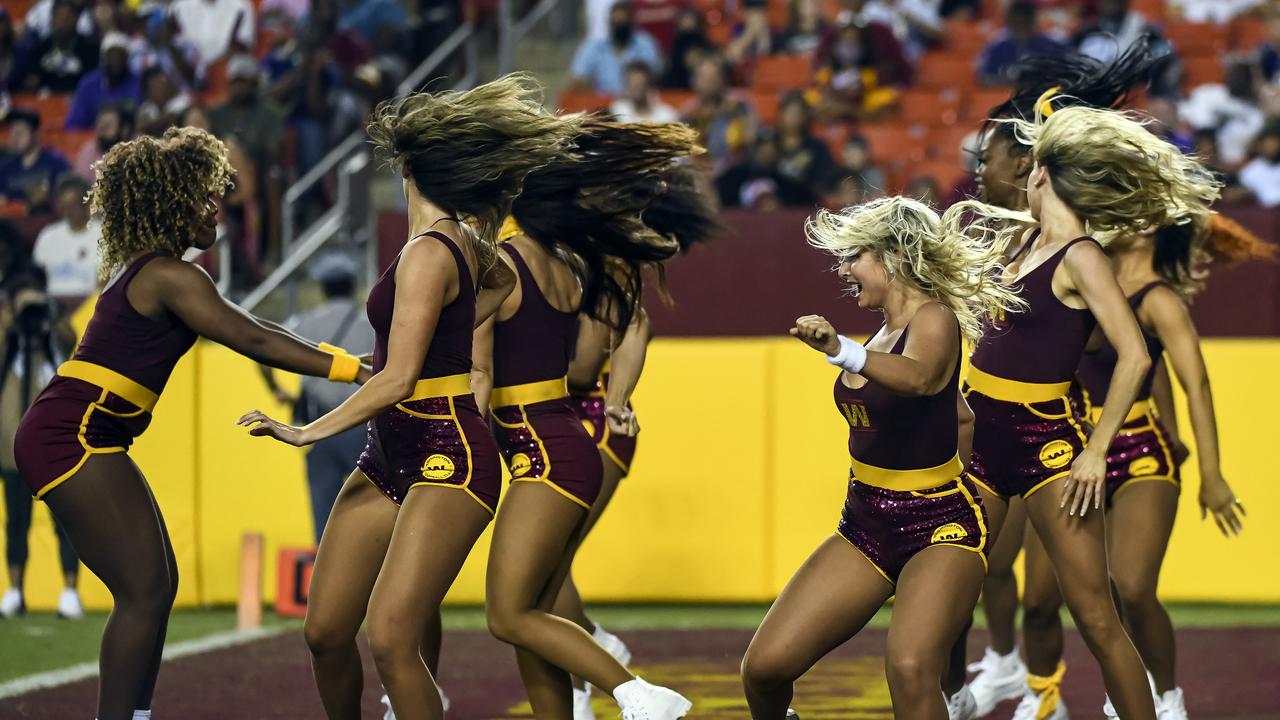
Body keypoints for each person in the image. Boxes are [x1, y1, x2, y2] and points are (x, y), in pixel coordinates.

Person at [237, 75, 583, 720]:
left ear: (412, 168)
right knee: (325, 633)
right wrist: (438, 347)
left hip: (447, 454)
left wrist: (307, 431)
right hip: (391, 451)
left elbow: (396, 379)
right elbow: (487, 290)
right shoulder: (459, 243)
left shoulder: (430, 250)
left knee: (393, 639)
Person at [12, 127, 369, 720]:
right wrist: (356, 368)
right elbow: (255, 337)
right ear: (170, 202)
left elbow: (258, 331)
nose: (216, 210)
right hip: (69, 435)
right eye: (205, 196)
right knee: (144, 590)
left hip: (81, 432)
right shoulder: (169, 276)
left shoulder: (153, 272)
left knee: (156, 586)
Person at [960, 104, 1219, 720]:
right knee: (967, 583)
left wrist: (1097, 451)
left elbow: (1135, 359)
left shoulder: (1082, 256)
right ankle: (1009, 679)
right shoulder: (1025, 241)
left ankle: (1149, 704)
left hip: (1055, 448)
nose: (1020, 177)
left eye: (1029, 167)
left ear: (1043, 173)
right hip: (991, 445)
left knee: (1102, 614)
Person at [741, 196, 1025, 719]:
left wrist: (840, 350)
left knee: (912, 669)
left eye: (856, 257)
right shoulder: (882, 332)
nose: (845, 270)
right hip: (866, 521)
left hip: (942, 527)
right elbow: (960, 415)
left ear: (894, 256)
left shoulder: (933, 317)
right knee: (763, 669)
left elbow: (919, 379)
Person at [475, 117, 699, 720]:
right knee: (538, 594)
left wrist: (618, 399)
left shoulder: (545, 261)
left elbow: (613, 340)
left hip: (574, 425)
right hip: (562, 427)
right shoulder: (568, 256)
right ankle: (589, 672)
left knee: (518, 603)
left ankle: (617, 678)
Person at [1012, 211, 1267, 720]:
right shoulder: (1078, 269)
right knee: (1038, 601)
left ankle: (1165, 697)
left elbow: (1194, 384)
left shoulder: (1158, 300)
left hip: (1139, 452)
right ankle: (1043, 698)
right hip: (1069, 453)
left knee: (1131, 586)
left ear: (1148, 227)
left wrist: (1212, 476)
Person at [552, 164, 720, 720]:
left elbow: (595, 356)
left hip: (589, 421)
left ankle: (591, 683)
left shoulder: (598, 260)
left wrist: (618, 398)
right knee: (543, 568)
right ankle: (595, 648)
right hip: (574, 420)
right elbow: (635, 325)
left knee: (543, 568)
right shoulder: (577, 251)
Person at [259, 253, 375, 543]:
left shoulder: (306, 322)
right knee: (374, 502)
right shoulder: (370, 324)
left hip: (319, 427)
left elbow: (264, 353)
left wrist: (277, 390)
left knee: (323, 511)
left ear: (323, 288)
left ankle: (326, 580)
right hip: (363, 425)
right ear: (352, 286)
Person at [0, 268, 82, 620]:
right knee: (16, 522)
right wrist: (12, 317)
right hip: (11, 450)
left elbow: (71, 338)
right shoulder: (8, 343)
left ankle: (69, 593)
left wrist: (50, 310)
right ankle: (15, 591)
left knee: (65, 523)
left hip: (54, 450)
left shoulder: (53, 339)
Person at [32, 175, 100, 310]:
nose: (68, 213)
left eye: (73, 206)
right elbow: (36, 278)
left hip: (89, 305)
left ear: (87, 203)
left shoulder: (103, 235)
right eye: (64, 207)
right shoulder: (48, 236)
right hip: (52, 305)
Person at [570, 1, 663, 95]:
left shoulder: (645, 44)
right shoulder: (593, 47)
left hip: (636, 102)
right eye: (617, 23)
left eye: (624, 22)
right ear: (609, 24)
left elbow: (656, 76)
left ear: (633, 23)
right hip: (602, 103)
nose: (620, 27)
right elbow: (578, 78)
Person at [65, 31, 143, 131]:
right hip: (95, 140)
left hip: (129, 140)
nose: (116, 60)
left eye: (120, 55)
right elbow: (74, 124)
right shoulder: (89, 84)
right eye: (112, 55)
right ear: (104, 57)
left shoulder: (138, 83)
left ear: (127, 58)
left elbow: (142, 117)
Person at [0, 109, 71, 212]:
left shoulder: (56, 162)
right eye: (12, 133)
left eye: (20, 133)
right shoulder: (5, 167)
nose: (15, 138)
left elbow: (66, 195)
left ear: (37, 134)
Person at [977, 2, 1064, 85]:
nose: (1020, 26)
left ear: (1032, 22)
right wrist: (1010, 82)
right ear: (1009, 22)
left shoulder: (1049, 47)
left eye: (1024, 21)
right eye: (1016, 22)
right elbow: (984, 78)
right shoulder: (997, 48)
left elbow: (1062, 77)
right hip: (1004, 97)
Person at [609, 61, 679, 123]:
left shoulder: (667, 116)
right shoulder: (618, 111)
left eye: (639, 85)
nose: (636, 91)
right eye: (631, 85)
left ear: (649, 86)